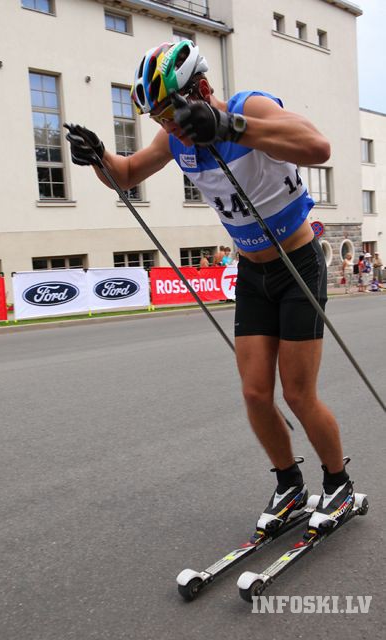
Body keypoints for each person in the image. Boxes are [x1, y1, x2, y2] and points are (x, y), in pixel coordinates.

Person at [65, 40, 356, 533]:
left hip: (298, 265)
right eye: (158, 117)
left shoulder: (251, 107)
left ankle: (338, 483)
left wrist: (229, 127)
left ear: (199, 88)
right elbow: (127, 174)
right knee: (255, 392)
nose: (168, 125)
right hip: (253, 273)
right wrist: (98, 156)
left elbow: (318, 147)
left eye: (170, 111)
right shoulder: (176, 141)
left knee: (298, 393)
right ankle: (289, 484)